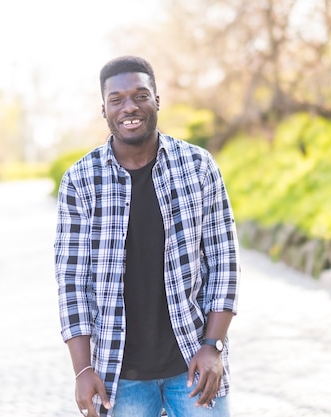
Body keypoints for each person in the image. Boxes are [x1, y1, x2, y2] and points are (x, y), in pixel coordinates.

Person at [54, 56, 240, 417]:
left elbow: (224, 262)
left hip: (194, 362)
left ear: (157, 100)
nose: (130, 107)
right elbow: (72, 283)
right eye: (117, 99)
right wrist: (82, 369)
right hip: (119, 378)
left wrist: (213, 346)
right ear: (104, 108)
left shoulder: (198, 167)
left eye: (140, 95)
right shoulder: (80, 182)